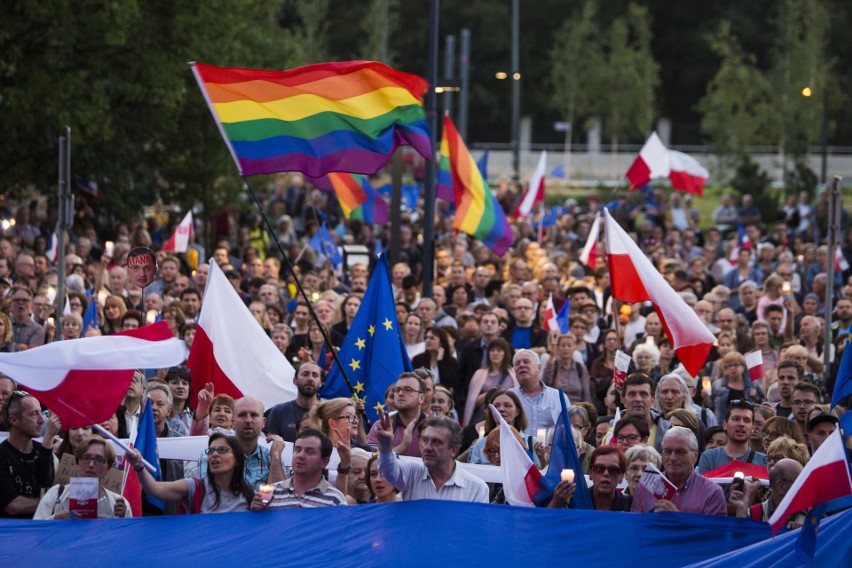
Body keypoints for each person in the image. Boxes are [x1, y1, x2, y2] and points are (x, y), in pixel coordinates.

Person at [127, 432, 254, 513]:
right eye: (211, 451)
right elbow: (155, 489)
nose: (214, 455)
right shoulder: (195, 487)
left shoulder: (249, 494)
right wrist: (138, 466)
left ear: (237, 459)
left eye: (222, 450)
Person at [376, 414, 489, 503]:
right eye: (425, 440)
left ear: (453, 450)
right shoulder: (411, 473)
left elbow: (476, 529)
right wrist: (386, 446)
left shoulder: (476, 488)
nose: (428, 447)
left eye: (436, 442)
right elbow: (389, 471)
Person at [631, 427, 727, 515]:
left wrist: (677, 518)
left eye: (680, 452)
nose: (673, 458)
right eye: (668, 451)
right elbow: (635, 528)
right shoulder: (644, 488)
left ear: (695, 456)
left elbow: (713, 533)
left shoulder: (712, 493)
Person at [34, 435, 131, 519]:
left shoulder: (118, 503)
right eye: (86, 458)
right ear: (77, 462)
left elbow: (128, 537)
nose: (91, 464)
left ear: (108, 467)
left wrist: (121, 520)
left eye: (99, 459)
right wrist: (56, 518)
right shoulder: (56, 494)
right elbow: (35, 531)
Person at [251, 429, 347, 509]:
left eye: (310, 452)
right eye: (297, 450)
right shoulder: (271, 493)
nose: (300, 455)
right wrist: (255, 512)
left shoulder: (335, 499)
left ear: (324, 462)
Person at [0, 392, 61, 518]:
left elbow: (49, 484)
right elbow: (13, 506)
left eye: (41, 412)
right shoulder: (2, 455)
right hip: (12, 533)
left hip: (44, 530)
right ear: (14, 420)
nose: (41, 420)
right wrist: (54, 501)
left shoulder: (44, 449)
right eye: (34, 414)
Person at [509, 349, 569, 438]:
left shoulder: (558, 397)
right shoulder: (508, 397)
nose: (521, 365)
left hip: (550, 450)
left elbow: (569, 429)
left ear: (539, 368)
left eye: (526, 362)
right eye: (517, 364)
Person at [551, 446, 631, 511]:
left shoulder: (630, 505)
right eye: (599, 469)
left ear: (621, 476)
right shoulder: (573, 502)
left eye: (613, 470)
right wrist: (556, 503)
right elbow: (546, 524)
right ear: (591, 473)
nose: (606, 474)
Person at [366, 373, 427, 457]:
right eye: (397, 390)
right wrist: (402, 446)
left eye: (408, 389)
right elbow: (372, 460)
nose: (401, 393)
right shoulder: (381, 426)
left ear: (421, 398)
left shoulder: (435, 426)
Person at [697, 399, 767, 473]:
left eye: (747, 420)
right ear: (725, 424)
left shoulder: (763, 462)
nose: (741, 424)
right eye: (736, 419)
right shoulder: (709, 457)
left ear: (753, 428)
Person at [731, 458, 805, 527]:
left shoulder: (811, 513)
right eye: (801, 481)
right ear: (781, 486)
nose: (806, 486)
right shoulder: (755, 514)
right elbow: (741, 539)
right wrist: (741, 512)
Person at [463, 338, 517, 426]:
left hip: (507, 417)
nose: (495, 353)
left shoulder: (513, 374)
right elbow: (472, 402)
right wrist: (492, 393)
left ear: (505, 353)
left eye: (499, 350)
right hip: (483, 417)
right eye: (492, 350)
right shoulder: (479, 374)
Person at [266, 361, 322, 442]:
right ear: (295, 380)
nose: (310, 378)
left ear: (320, 383)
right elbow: (271, 446)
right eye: (305, 374)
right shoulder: (279, 411)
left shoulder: (328, 413)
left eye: (315, 375)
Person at [621, 373, 669, 452]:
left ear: (653, 400)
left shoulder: (667, 431)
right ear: (623, 400)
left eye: (643, 394)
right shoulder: (611, 430)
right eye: (632, 394)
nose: (638, 399)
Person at [542, 334, 592, 404]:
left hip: (577, 408)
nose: (566, 348)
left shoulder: (580, 368)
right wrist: (551, 357)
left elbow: (586, 393)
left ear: (574, 347)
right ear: (558, 348)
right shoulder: (553, 365)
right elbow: (545, 384)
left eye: (569, 345)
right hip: (556, 406)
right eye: (563, 345)